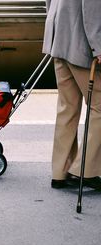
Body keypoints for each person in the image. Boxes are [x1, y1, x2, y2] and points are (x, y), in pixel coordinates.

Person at [42, 0, 101, 189]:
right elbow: (91, 5)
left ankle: (60, 171)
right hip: (81, 42)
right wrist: (98, 47)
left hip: (58, 39)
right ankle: (85, 171)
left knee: (67, 107)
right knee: (99, 105)